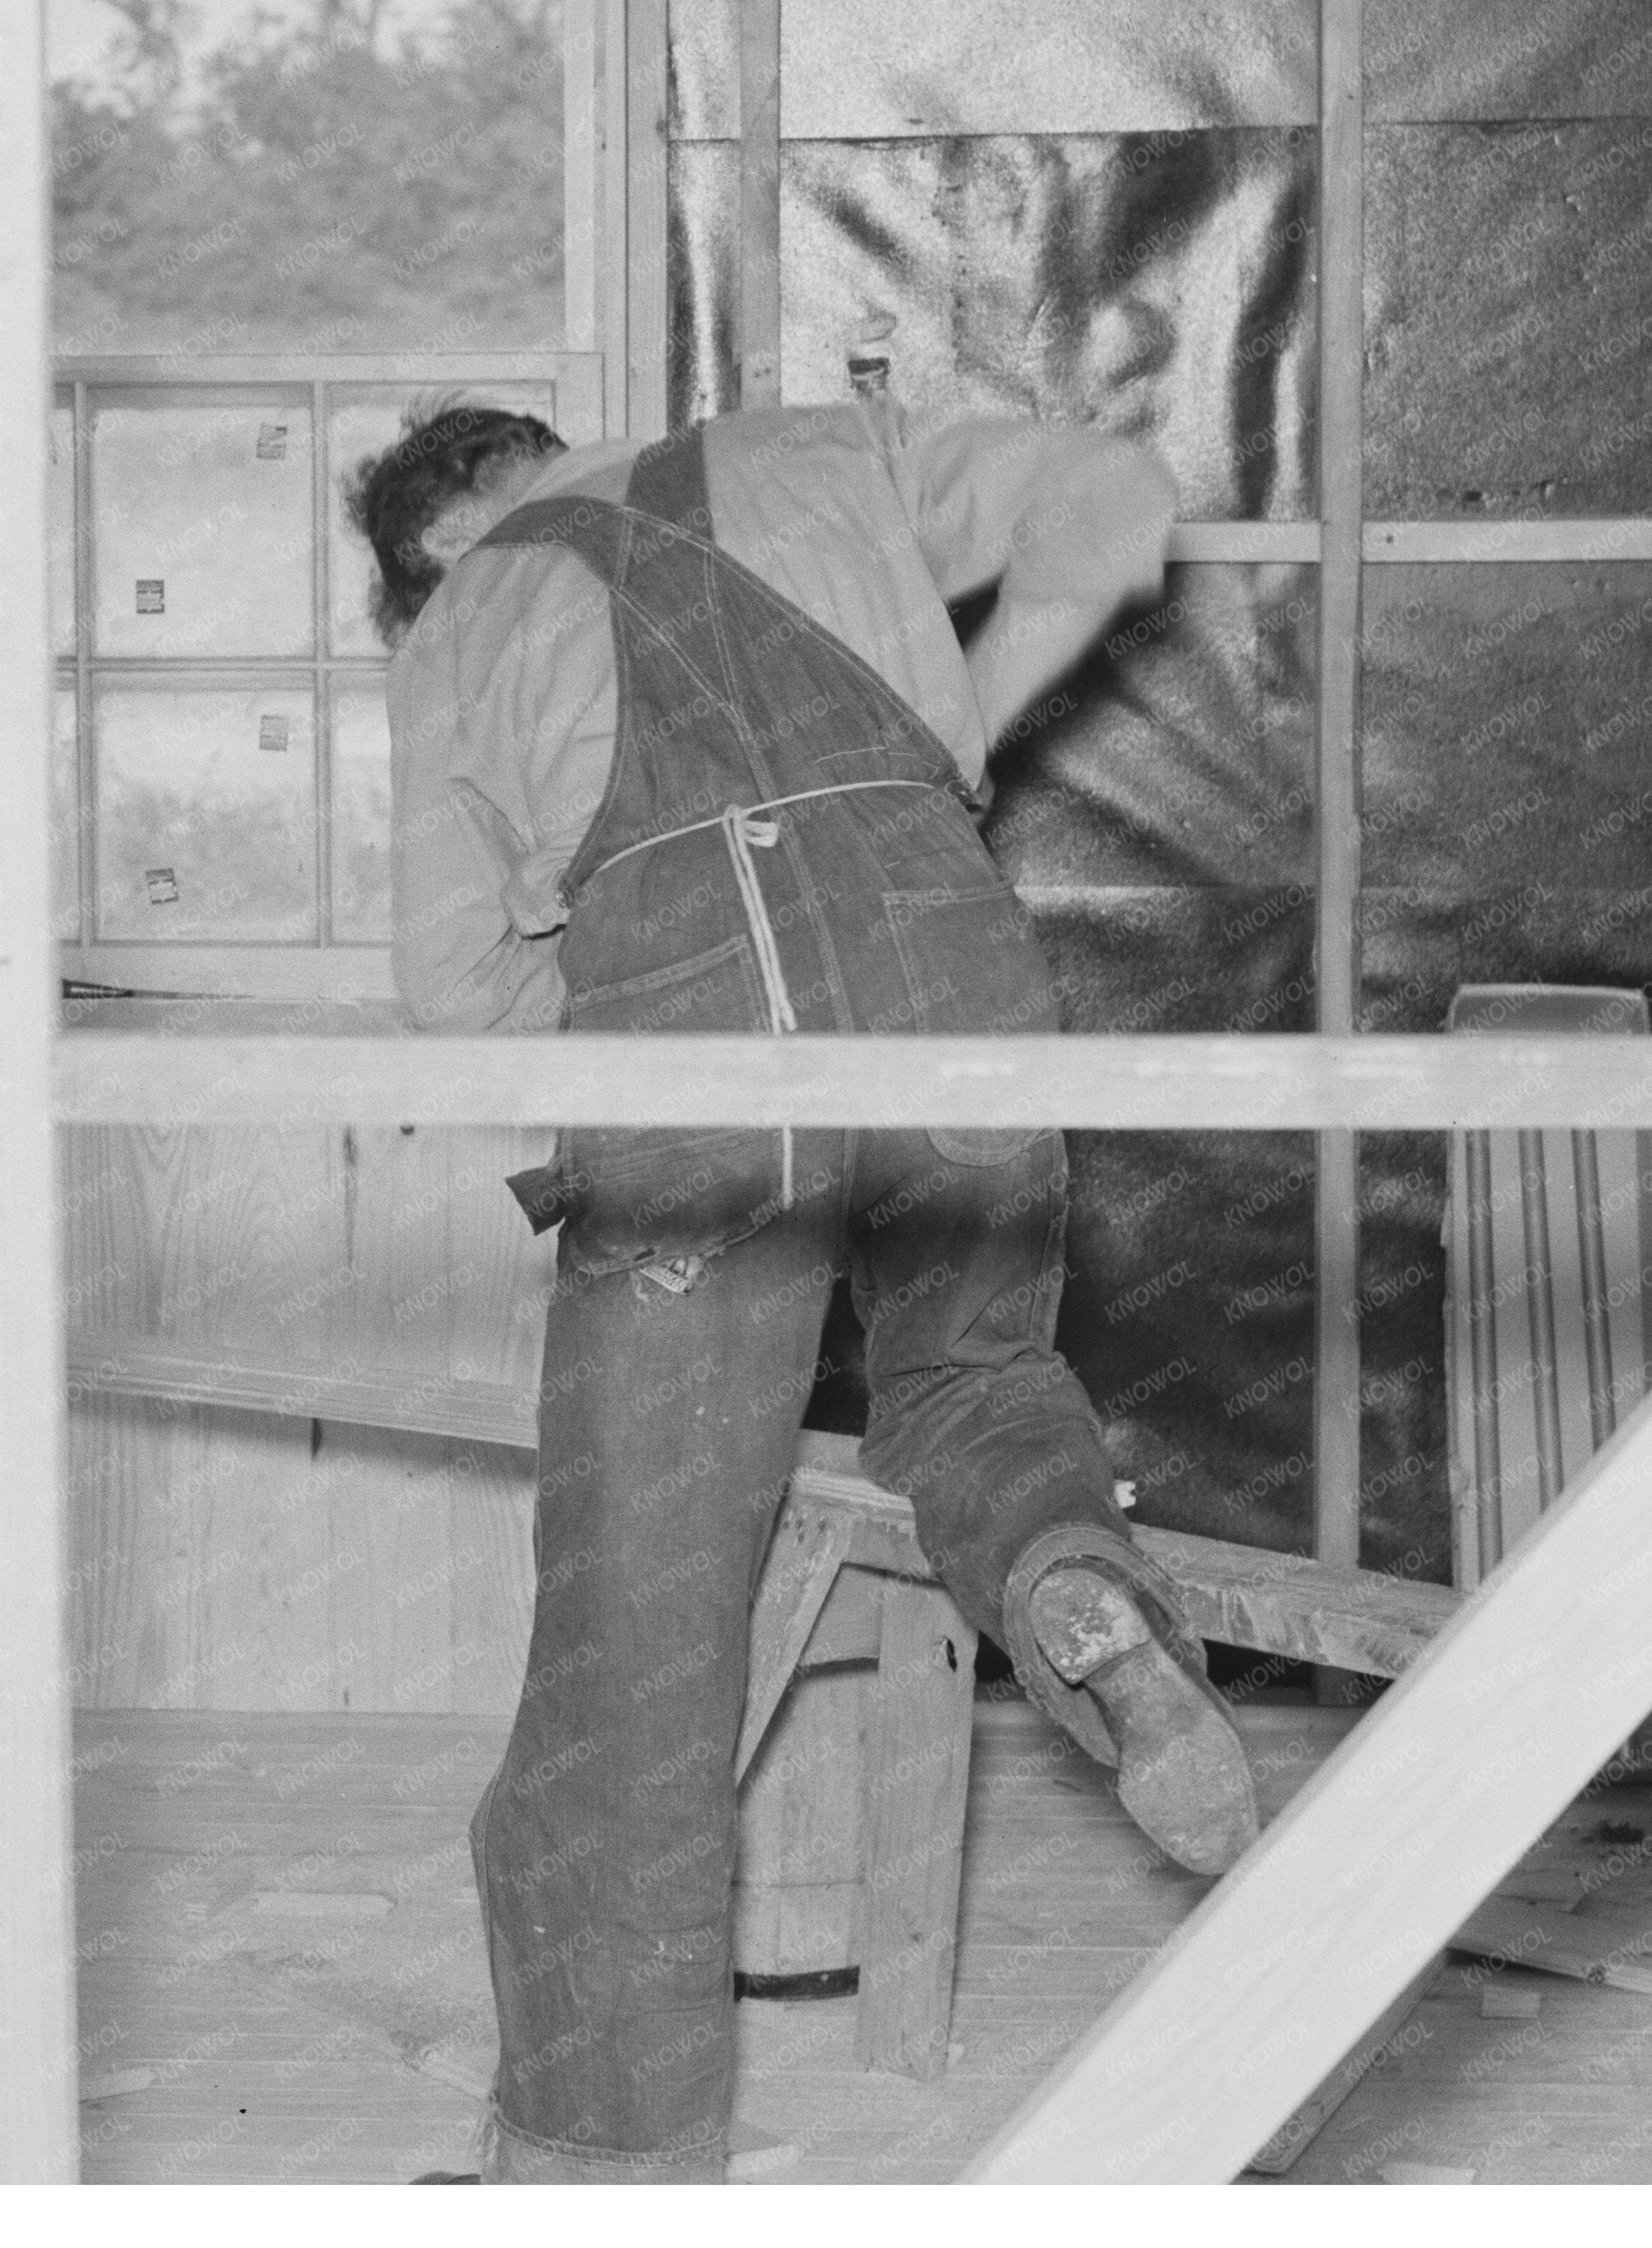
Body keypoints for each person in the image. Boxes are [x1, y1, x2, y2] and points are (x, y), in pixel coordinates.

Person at [353, 389, 1258, 2184]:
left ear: (436, 542)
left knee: (641, 1612)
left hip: (687, 1016)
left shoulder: (464, 621)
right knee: (974, 1375)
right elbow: (1117, 491)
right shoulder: (807, 445)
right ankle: (1079, 1588)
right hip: (945, 945)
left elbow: (456, 989)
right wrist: (963, 736)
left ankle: (599, 2160)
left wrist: (618, 1006)